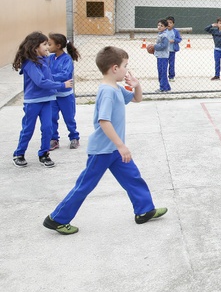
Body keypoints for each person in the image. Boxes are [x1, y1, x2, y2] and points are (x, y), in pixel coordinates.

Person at [43, 46, 168, 235]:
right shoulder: (107, 92)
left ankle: (144, 211)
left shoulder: (116, 88)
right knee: (85, 185)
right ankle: (57, 218)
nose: (127, 70)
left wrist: (137, 85)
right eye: (126, 66)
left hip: (114, 150)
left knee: (133, 178)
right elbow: (104, 121)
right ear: (114, 68)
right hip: (103, 150)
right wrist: (121, 145)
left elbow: (137, 99)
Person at [12, 32, 73, 168]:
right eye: (45, 44)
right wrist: (62, 85)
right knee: (28, 129)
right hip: (33, 102)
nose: (47, 47)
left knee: (47, 128)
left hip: (47, 100)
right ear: (35, 48)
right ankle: (19, 153)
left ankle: (44, 154)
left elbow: (51, 76)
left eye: (48, 44)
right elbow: (41, 82)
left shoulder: (46, 60)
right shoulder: (29, 64)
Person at [48, 33, 81, 149]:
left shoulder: (67, 59)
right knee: (51, 117)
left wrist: (49, 77)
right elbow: (44, 71)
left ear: (58, 46)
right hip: (52, 95)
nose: (47, 46)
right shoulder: (49, 58)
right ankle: (54, 139)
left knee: (69, 118)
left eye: (50, 44)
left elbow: (65, 75)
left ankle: (74, 137)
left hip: (66, 95)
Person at [152, 19, 172, 92]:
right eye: (158, 25)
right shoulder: (160, 34)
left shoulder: (164, 35)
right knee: (161, 72)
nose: (159, 27)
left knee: (162, 72)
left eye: (161, 26)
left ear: (165, 27)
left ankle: (162, 88)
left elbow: (164, 45)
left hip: (163, 57)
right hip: (160, 56)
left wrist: (155, 46)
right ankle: (166, 87)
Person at [166, 16, 182, 82]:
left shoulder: (175, 32)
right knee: (164, 64)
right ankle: (163, 76)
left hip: (172, 51)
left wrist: (174, 40)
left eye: (170, 23)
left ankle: (171, 76)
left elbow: (179, 39)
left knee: (171, 64)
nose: (169, 24)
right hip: (165, 51)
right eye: (167, 23)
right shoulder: (164, 31)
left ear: (173, 24)